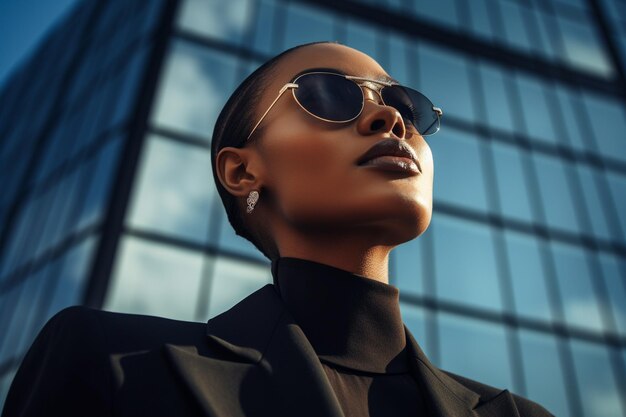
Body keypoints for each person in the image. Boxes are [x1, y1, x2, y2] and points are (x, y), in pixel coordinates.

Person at [2, 41, 554, 417]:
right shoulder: (108, 360)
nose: (391, 119)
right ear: (242, 171)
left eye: (404, 103)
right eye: (327, 94)